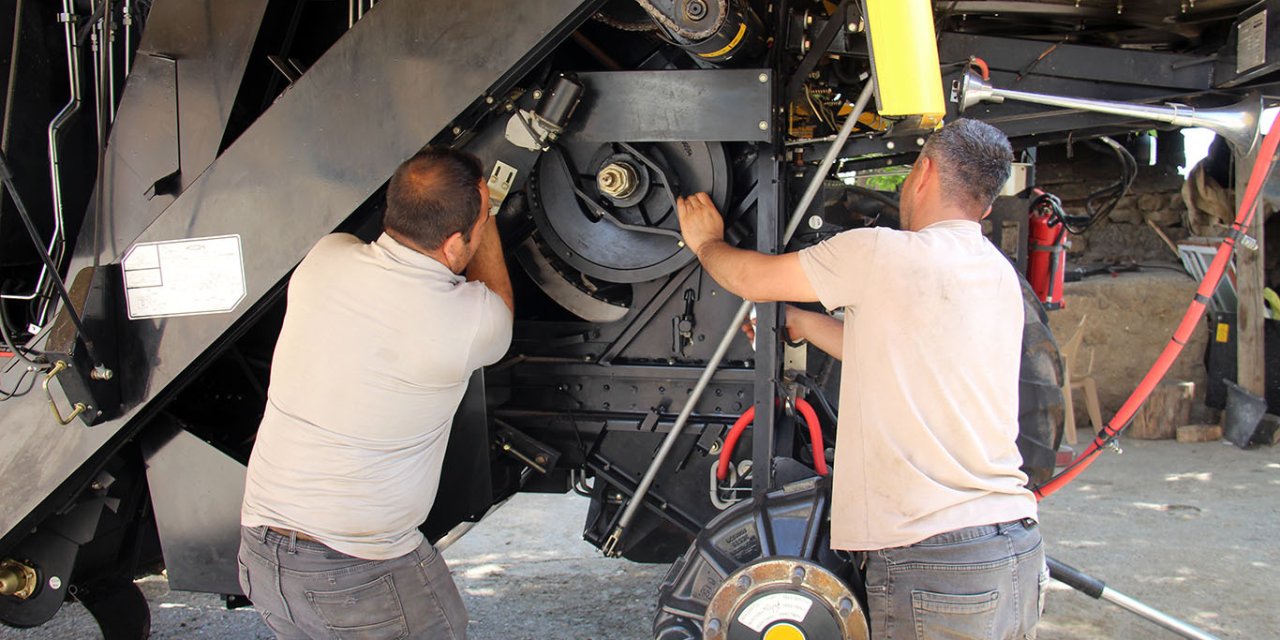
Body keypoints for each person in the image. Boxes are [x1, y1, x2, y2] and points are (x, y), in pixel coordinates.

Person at [675, 119, 1046, 639]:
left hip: (933, 559)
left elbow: (750, 278)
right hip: (1013, 549)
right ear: (985, 203)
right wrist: (802, 324)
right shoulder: (996, 272)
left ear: (923, 172)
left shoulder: (880, 252)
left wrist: (706, 241)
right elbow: (890, 349)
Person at [238, 147, 514, 640]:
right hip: (358, 574)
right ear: (454, 245)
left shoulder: (325, 256)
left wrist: (473, 208)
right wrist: (485, 211)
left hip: (262, 554)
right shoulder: (471, 322)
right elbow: (495, 298)